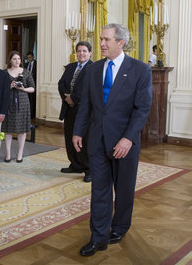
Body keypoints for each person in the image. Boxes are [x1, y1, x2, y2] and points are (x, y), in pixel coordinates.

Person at [72, 24, 152, 256]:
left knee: (124, 189)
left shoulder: (139, 70)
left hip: (124, 144)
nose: (102, 44)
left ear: (121, 42)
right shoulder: (94, 69)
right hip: (97, 141)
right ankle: (98, 237)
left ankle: (119, 227)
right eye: (101, 39)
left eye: (107, 39)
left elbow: (142, 109)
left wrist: (128, 139)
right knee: (99, 190)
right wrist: (78, 131)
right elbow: (86, 104)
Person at [58, 41, 93, 182]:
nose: (81, 53)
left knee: (84, 141)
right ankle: (75, 164)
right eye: (79, 51)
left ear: (90, 53)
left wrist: (73, 98)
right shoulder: (71, 66)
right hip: (69, 109)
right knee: (69, 137)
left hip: (83, 111)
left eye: (84, 51)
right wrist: (67, 98)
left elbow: (89, 90)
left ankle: (88, 169)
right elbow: (61, 84)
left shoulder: (93, 68)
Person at [1, 51, 35, 163]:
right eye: (14, 59)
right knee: (8, 129)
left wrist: (23, 89)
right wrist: (9, 86)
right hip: (8, 102)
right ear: (10, 60)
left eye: (19, 59)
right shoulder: (4, 73)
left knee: (22, 130)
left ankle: (20, 154)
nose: (17, 61)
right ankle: (8, 154)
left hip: (23, 102)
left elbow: (32, 88)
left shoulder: (26, 72)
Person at [24, 51, 37, 119]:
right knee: (28, 99)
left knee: (33, 100)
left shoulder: (37, 64)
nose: (29, 59)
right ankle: (28, 113)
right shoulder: (26, 64)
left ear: (33, 57)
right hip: (26, 84)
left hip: (34, 84)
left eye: (30, 57)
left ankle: (33, 114)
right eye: (28, 58)